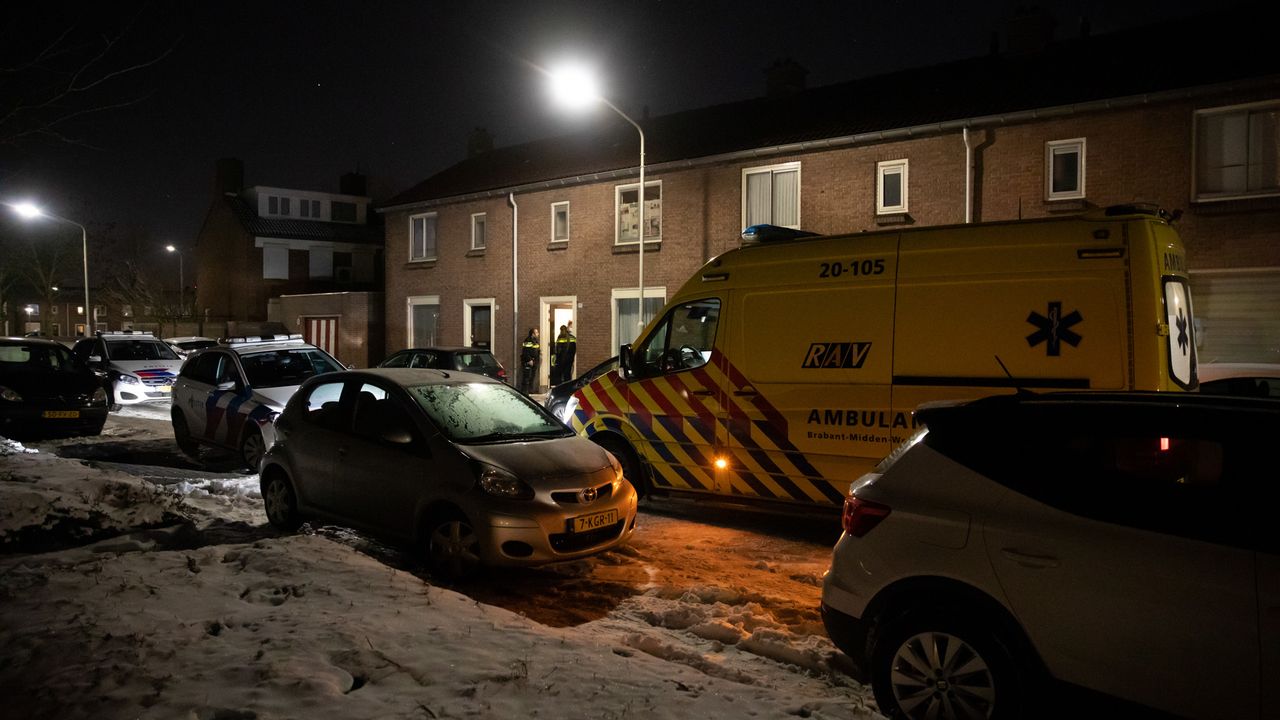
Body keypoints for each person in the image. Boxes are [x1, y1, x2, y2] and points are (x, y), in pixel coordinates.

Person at [519, 328, 540, 393]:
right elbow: (525, 351)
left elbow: (536, 350)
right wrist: (529, 360)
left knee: (532, 377)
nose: (538, 334)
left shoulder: (536, 341)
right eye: (536, 333)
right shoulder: (528, 340)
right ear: (532, 334)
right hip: (528, 362)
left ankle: (530, 391)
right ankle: (525, 392)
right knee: (527, 377)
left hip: (534, 361)